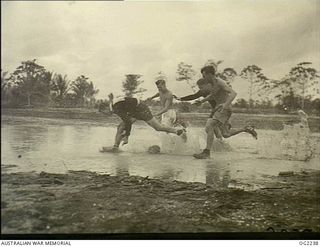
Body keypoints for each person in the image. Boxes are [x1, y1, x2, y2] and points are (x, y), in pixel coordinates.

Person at [176, 65, 257, 159]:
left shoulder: (219, 82)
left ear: (210, 74)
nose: (203, 77)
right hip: (221, 109)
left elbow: (233, 93)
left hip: (224, 109)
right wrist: (202, 101)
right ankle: (246, 129)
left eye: (204, 75)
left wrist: (225, 105)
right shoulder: (212, 84)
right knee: (225, 134)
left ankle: (206, 152)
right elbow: (212, 96)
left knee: (209, 126)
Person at [99, 93, 186, 152]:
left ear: (105, 108)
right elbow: (127, 117)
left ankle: (178, 131)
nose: (106, 115)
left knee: (158, 127)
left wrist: (127, 136)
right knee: (121, 126)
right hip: (138, 108)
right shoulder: (114, 104)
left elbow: (127, 121)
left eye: (104, 113)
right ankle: (178, 131)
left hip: (140, 109)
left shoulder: (116, 108)